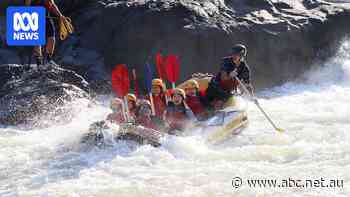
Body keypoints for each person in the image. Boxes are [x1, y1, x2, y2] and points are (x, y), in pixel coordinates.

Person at [206, 44, 254, 109]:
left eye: (236, 54)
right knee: (209, 103)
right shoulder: (226, 62)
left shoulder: (245, 69)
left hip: (227, 91)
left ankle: (218, 111)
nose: (233, 56)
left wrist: (252, 96)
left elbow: (247, 84)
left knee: (223, 99)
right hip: (216, 87)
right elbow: (223, 78)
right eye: (233, 54)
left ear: (241, 56)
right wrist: (230, 75)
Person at [24, 0, 66, 67]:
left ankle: (48, 59)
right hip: (35, 16)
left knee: (52, 38)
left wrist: (60, 15)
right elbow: (27, 6)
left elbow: (52, 5)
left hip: (46, 17)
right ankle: (39, 61)